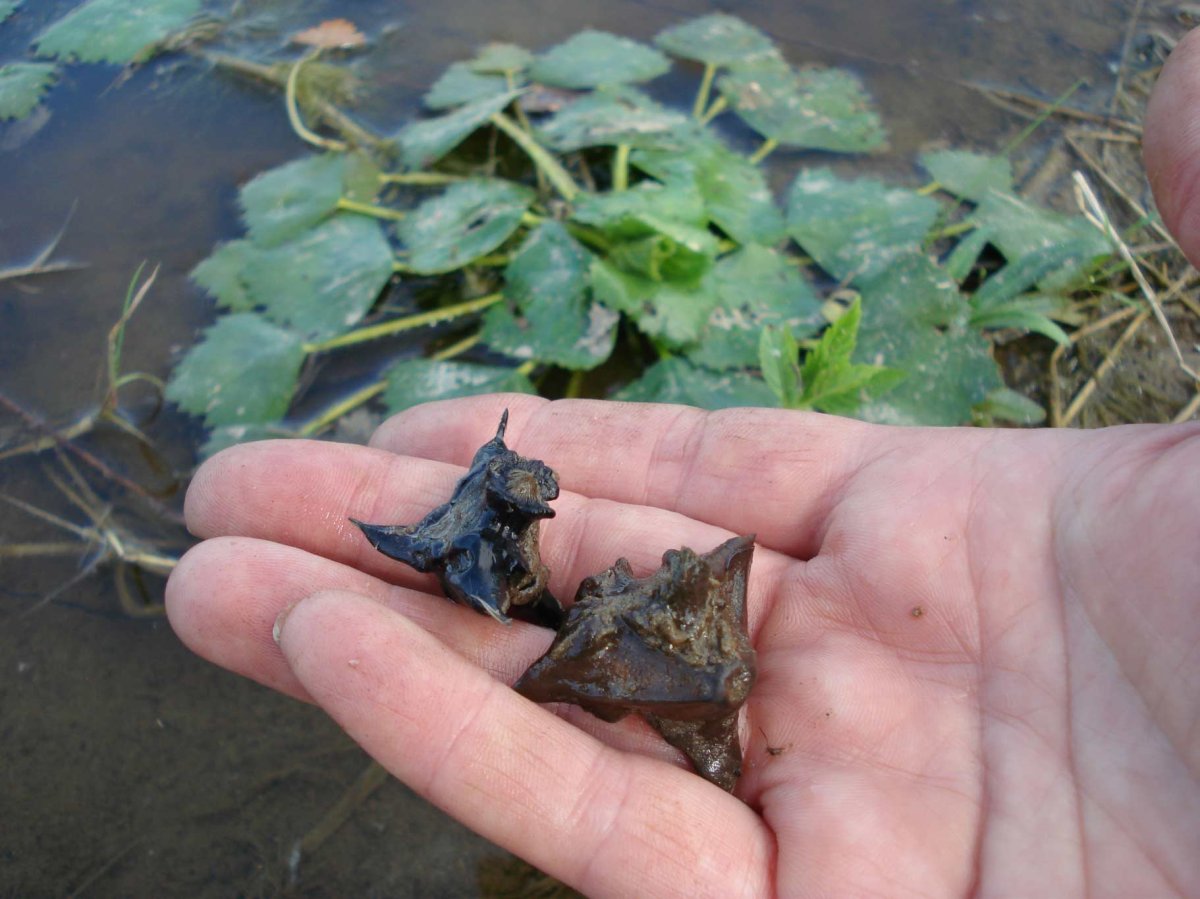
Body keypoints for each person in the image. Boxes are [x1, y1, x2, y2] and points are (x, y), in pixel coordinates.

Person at [166, 34, 1200, 898]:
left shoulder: (657, 629)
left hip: (685, 688)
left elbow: (623, 614)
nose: (615, 576)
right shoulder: (601, 581)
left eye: (615, 588)